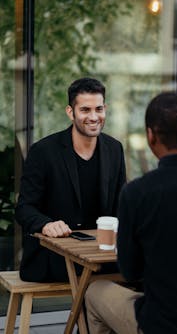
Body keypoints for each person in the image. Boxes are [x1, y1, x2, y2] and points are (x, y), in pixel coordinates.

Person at [85, 92, 177, 334]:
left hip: (164, 324)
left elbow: (130, 270)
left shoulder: (137, 194)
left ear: (150, 136)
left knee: (95, 291)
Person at [15, 77, 126, 282]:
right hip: (55, 257)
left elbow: (121, 206)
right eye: (85, 110)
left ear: (105, 109)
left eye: (99, 109)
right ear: (70, 112)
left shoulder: (114, 149)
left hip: (102, 256)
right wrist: (46, 224)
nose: (94, 117)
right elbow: (24, 209)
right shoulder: (43, 151)